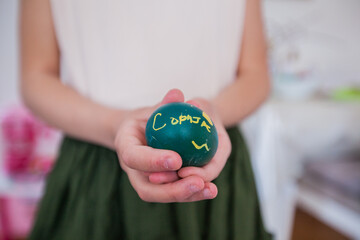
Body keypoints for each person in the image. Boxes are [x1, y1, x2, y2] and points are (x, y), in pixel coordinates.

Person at [20, 0, 272, 239]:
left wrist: (212, 113)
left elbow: (256, 73)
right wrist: (115, 125)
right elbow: (36, 78)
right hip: (96, 169)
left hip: (213, 157)